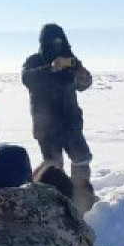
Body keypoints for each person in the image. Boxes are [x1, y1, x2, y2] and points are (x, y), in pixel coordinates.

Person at [21, 24, 97, 213]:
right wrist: (51, 68)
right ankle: (55, 204)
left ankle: (82, 201)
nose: (57, 44)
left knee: (81, 159)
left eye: (60, 41)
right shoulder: (34, 61)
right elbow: (27, 79)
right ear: (44, 42)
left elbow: (83, 84)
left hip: (71, 122)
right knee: (54, 166)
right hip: (47, 126)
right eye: (52, 41)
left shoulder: (72, 60)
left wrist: (84, 76)